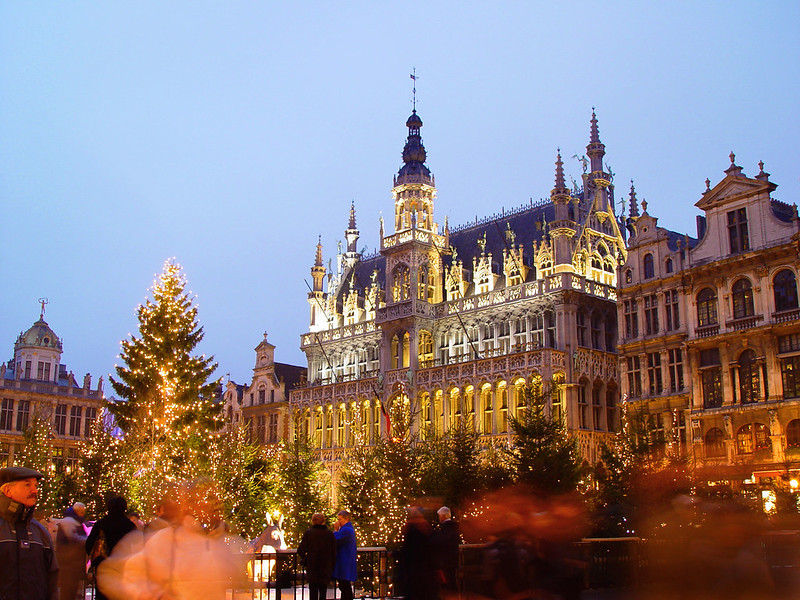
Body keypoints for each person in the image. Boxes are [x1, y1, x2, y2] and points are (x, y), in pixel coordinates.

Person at [0, 466, 58, 600]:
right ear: (8, 490)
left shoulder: (40, 532)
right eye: (27, 485)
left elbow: (52, 580)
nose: (35, 490)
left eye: (36, 485)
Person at [85, 496, 137, 600]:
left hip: (103, 566)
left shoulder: (100, 524)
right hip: (123, 567)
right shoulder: (129, 526)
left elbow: (89, 544)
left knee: (102, 595)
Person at [298, 513, 337, 600]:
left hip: (312, 565)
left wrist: (306, 558)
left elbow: (300, 550)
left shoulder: (309, 533)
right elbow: (334, 551)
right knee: (323, 591)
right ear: (323, 521)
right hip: (325, 566)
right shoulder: (329, 534)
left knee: (313, 591)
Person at [56, 501, 88, 600]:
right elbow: (73, 538)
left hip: (72, 563)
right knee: (68, 592)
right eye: (81, 512)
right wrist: (88, 540)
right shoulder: (69, 522)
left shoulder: (73, 522)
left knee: (71, 591)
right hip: (69, 563)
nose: (83, 514)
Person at [432, 506, 460, 595]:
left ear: (443, 516)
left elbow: (441, 541)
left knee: (447, 583)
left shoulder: (445, 528)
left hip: (445, 561)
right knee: (452, 581)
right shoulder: (454, 528)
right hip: (453, 560)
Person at [332, 509, 357, 600]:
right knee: (344, 585)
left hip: (344, 561)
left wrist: (335, 531)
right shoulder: (347, 529)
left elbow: (336, 541)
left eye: (340, 519)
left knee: (344, 585)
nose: (338, 522)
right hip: (344, 560)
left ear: (346, 519)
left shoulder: (347, 530)